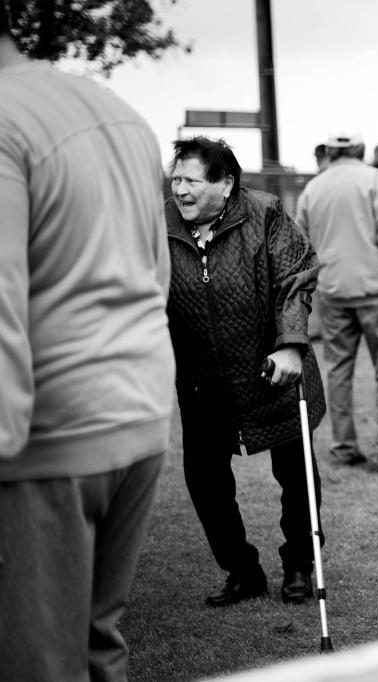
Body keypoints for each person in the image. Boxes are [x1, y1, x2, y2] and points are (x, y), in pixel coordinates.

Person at [0, 4, 176, 679]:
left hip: (47, 438)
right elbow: (156, 271)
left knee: (41, 663)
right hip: (138, 413)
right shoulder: (118, 111)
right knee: (100, 644)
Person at [165, 136, 327, 607]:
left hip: (274, 369)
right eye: (176, 179)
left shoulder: (264, 212)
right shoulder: (158, 224)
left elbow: (295, 278)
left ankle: (300, 563)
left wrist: (291, 345)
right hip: (202, 380)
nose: (181, 190)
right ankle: (241, 570)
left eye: (192, 181)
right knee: (205, 480)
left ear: (226, 184)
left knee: (297, 476)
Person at [296, 131, 378, 473]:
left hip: (333, 293)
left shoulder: (313, 188)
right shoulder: (375, 181)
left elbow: (299, 244)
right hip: (377, 291)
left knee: (338, 370)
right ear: (360, 149)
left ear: (330, 151)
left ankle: (343, 446)